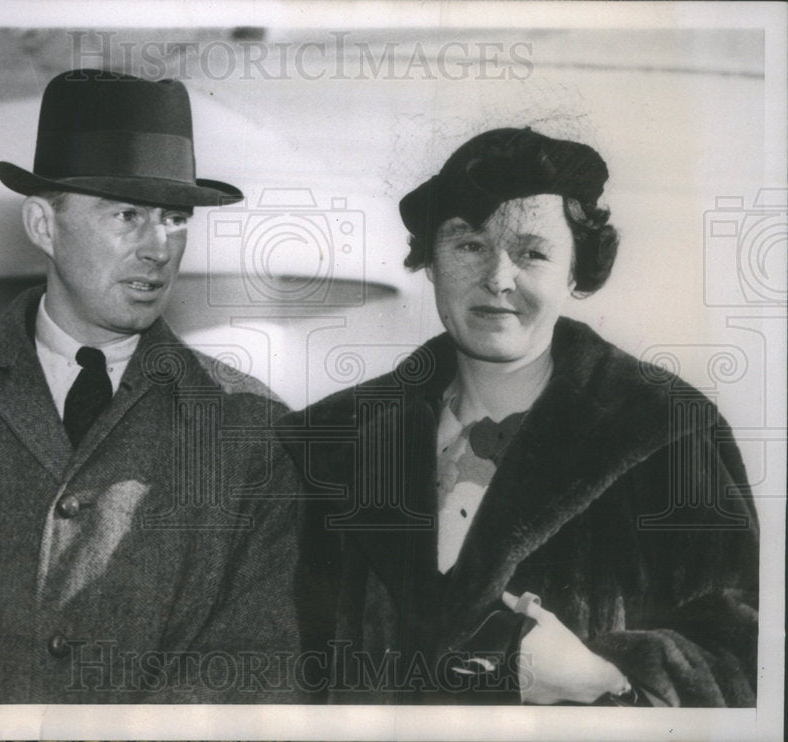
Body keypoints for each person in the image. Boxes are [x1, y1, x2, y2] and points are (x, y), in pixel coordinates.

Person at [0, 70, 302, 704]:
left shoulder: (251, 427)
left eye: (176, 218)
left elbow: (258, 661)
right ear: (44, 226)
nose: (159, 247)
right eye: (127, 215)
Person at [278, 127, 758, 706]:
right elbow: (270, 657)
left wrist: (604, 677)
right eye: (469, 244)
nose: (498, 278)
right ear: (431, 260)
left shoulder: (662, 431)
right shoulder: (332, 441)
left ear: (577, 269)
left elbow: (747, 656)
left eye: (532, 252)